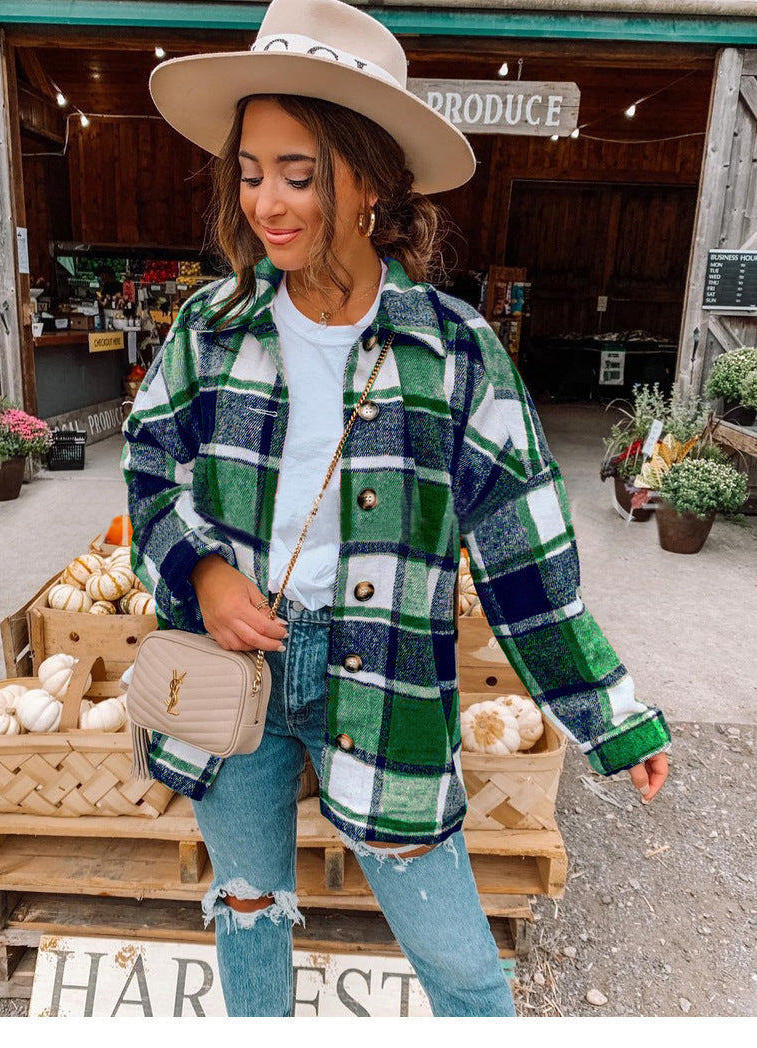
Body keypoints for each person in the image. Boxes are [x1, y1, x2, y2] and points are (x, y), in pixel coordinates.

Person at [122, 0, 670, 1018]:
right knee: (248, 904)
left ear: (372, 178)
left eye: (300, 172)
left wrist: (609, 715)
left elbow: (523, 556)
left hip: (381, 680)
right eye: (251, 172)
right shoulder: (214, 325)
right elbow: (150, 464)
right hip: (228, 672)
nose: (268, 204)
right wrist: (200, 569)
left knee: (459, 962)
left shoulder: (454, 351)